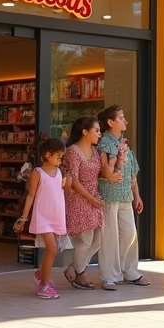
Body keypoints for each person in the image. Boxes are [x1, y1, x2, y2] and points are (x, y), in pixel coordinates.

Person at [97, 105, 150, 290]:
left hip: (126, 194)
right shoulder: (104, 143)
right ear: (111, 122)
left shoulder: (124, 144)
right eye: (121, 117)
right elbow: (103, 170)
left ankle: (129, 270)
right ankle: (109, 276)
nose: (125, 120)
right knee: (109, 236)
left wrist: (137, 195)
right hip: (109, 195)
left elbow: (132, 172)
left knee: (130, 233)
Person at [17, 138, 70, 299]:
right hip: (43, 217)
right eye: (58, 157)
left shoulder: (60, 172)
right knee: (52, 249)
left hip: (57, 216)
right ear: (47, 155)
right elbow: (31, 195)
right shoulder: (37, 173)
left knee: (53, 250)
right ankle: (44, 285)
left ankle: (41, 276)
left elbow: (62, 193)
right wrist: (24, 217)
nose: (60, 160)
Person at [61, 116, 105, 290]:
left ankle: (74, 269)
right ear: (85, 132)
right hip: (79, 198)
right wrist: (92, 199)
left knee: (98, 240)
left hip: (94, 197)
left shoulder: (95, 151)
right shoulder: (73, 151)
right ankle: (80, 274)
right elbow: (74, 180)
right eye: (97, 130)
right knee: (85, 240)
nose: (99, 134)